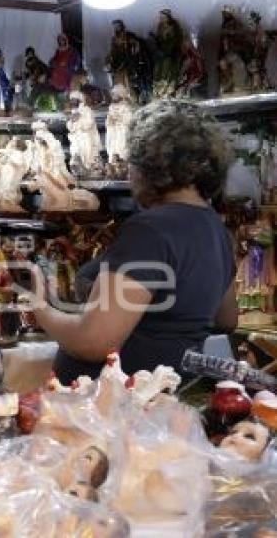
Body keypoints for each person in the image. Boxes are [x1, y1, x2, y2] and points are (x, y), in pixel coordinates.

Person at [31, 100, 237, 384]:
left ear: (148, 164)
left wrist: (41, 309)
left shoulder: (151, 230)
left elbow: (95, 343)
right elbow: (226, 319)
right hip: (165, 398)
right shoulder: (215, 227)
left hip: (117, 409)